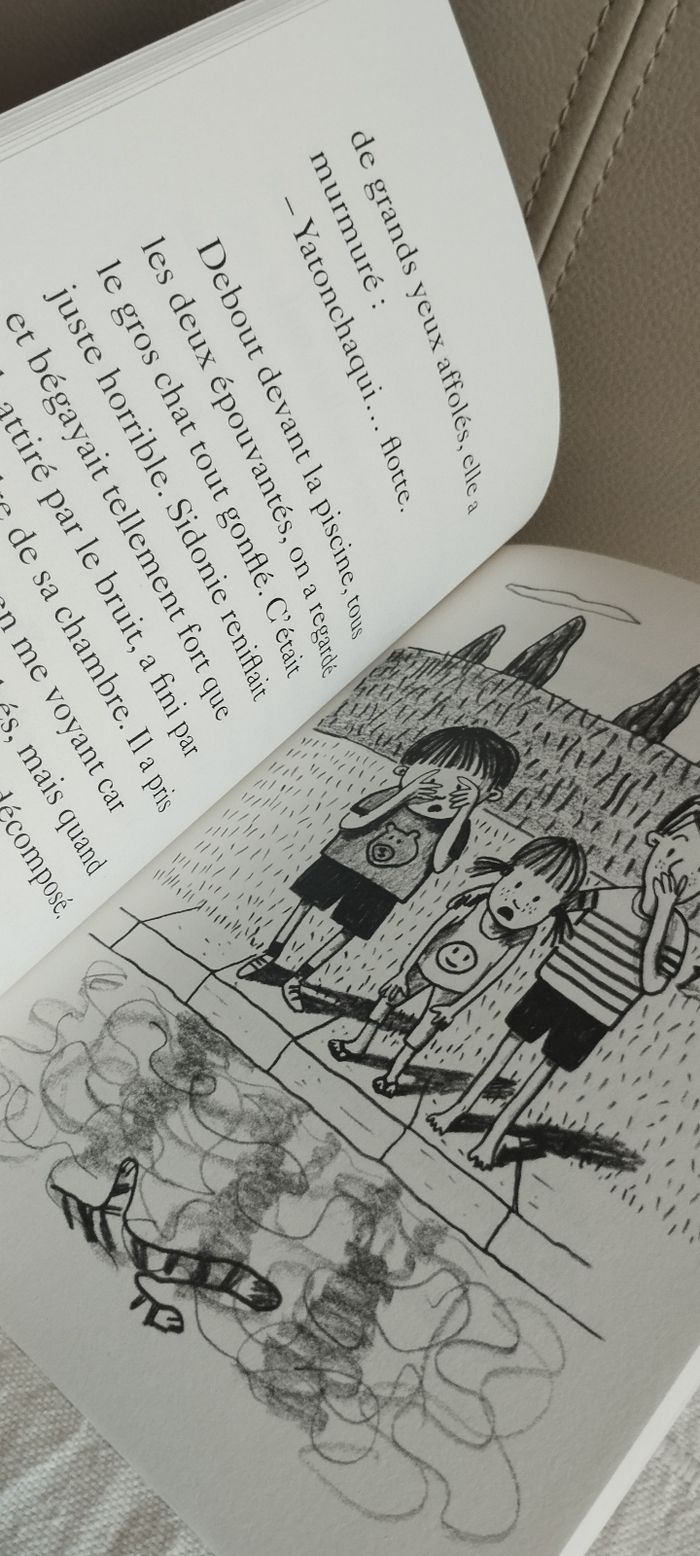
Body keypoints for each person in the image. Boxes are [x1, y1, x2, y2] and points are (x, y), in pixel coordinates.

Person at [429, 796, 700, 1168]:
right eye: (674, 854)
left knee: (545, 1068)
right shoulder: (610, 898)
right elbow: (551, 906)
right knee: (508, 1046)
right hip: (554, 984)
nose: (678, 873)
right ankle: (459, 1108)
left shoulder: (675, 933)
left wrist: (665, 912)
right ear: (656, 842)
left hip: (596, 1012)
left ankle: (494, 1136)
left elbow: (652, 984)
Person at [237, 725, 520, 1010]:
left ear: (491, 795)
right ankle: (271, 954)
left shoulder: (457, 827)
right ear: (404, 769)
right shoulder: (389, 796)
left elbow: (439, 865)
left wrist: (462, 812)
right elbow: (350, 824)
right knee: (306, 904)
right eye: (432, 774)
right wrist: (404, 795)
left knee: (348, 930)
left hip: (387, 885)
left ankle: (299, 978)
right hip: (342, 860)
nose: (441, 787)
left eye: (462, 787)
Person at [329, 836, 587, 1096]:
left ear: (555, 909)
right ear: (507, 872)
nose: (519, 902)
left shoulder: (522, 934)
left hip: (457, 986)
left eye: (537, 901)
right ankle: (359, 1044)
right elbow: (433, 931)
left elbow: (495, 974)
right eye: (517, 885)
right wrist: (402, 971)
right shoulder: (476, 899)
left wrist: (456, 1008)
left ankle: (393, 1076)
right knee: (389, 999)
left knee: (425, 1029)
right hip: (426, 963)